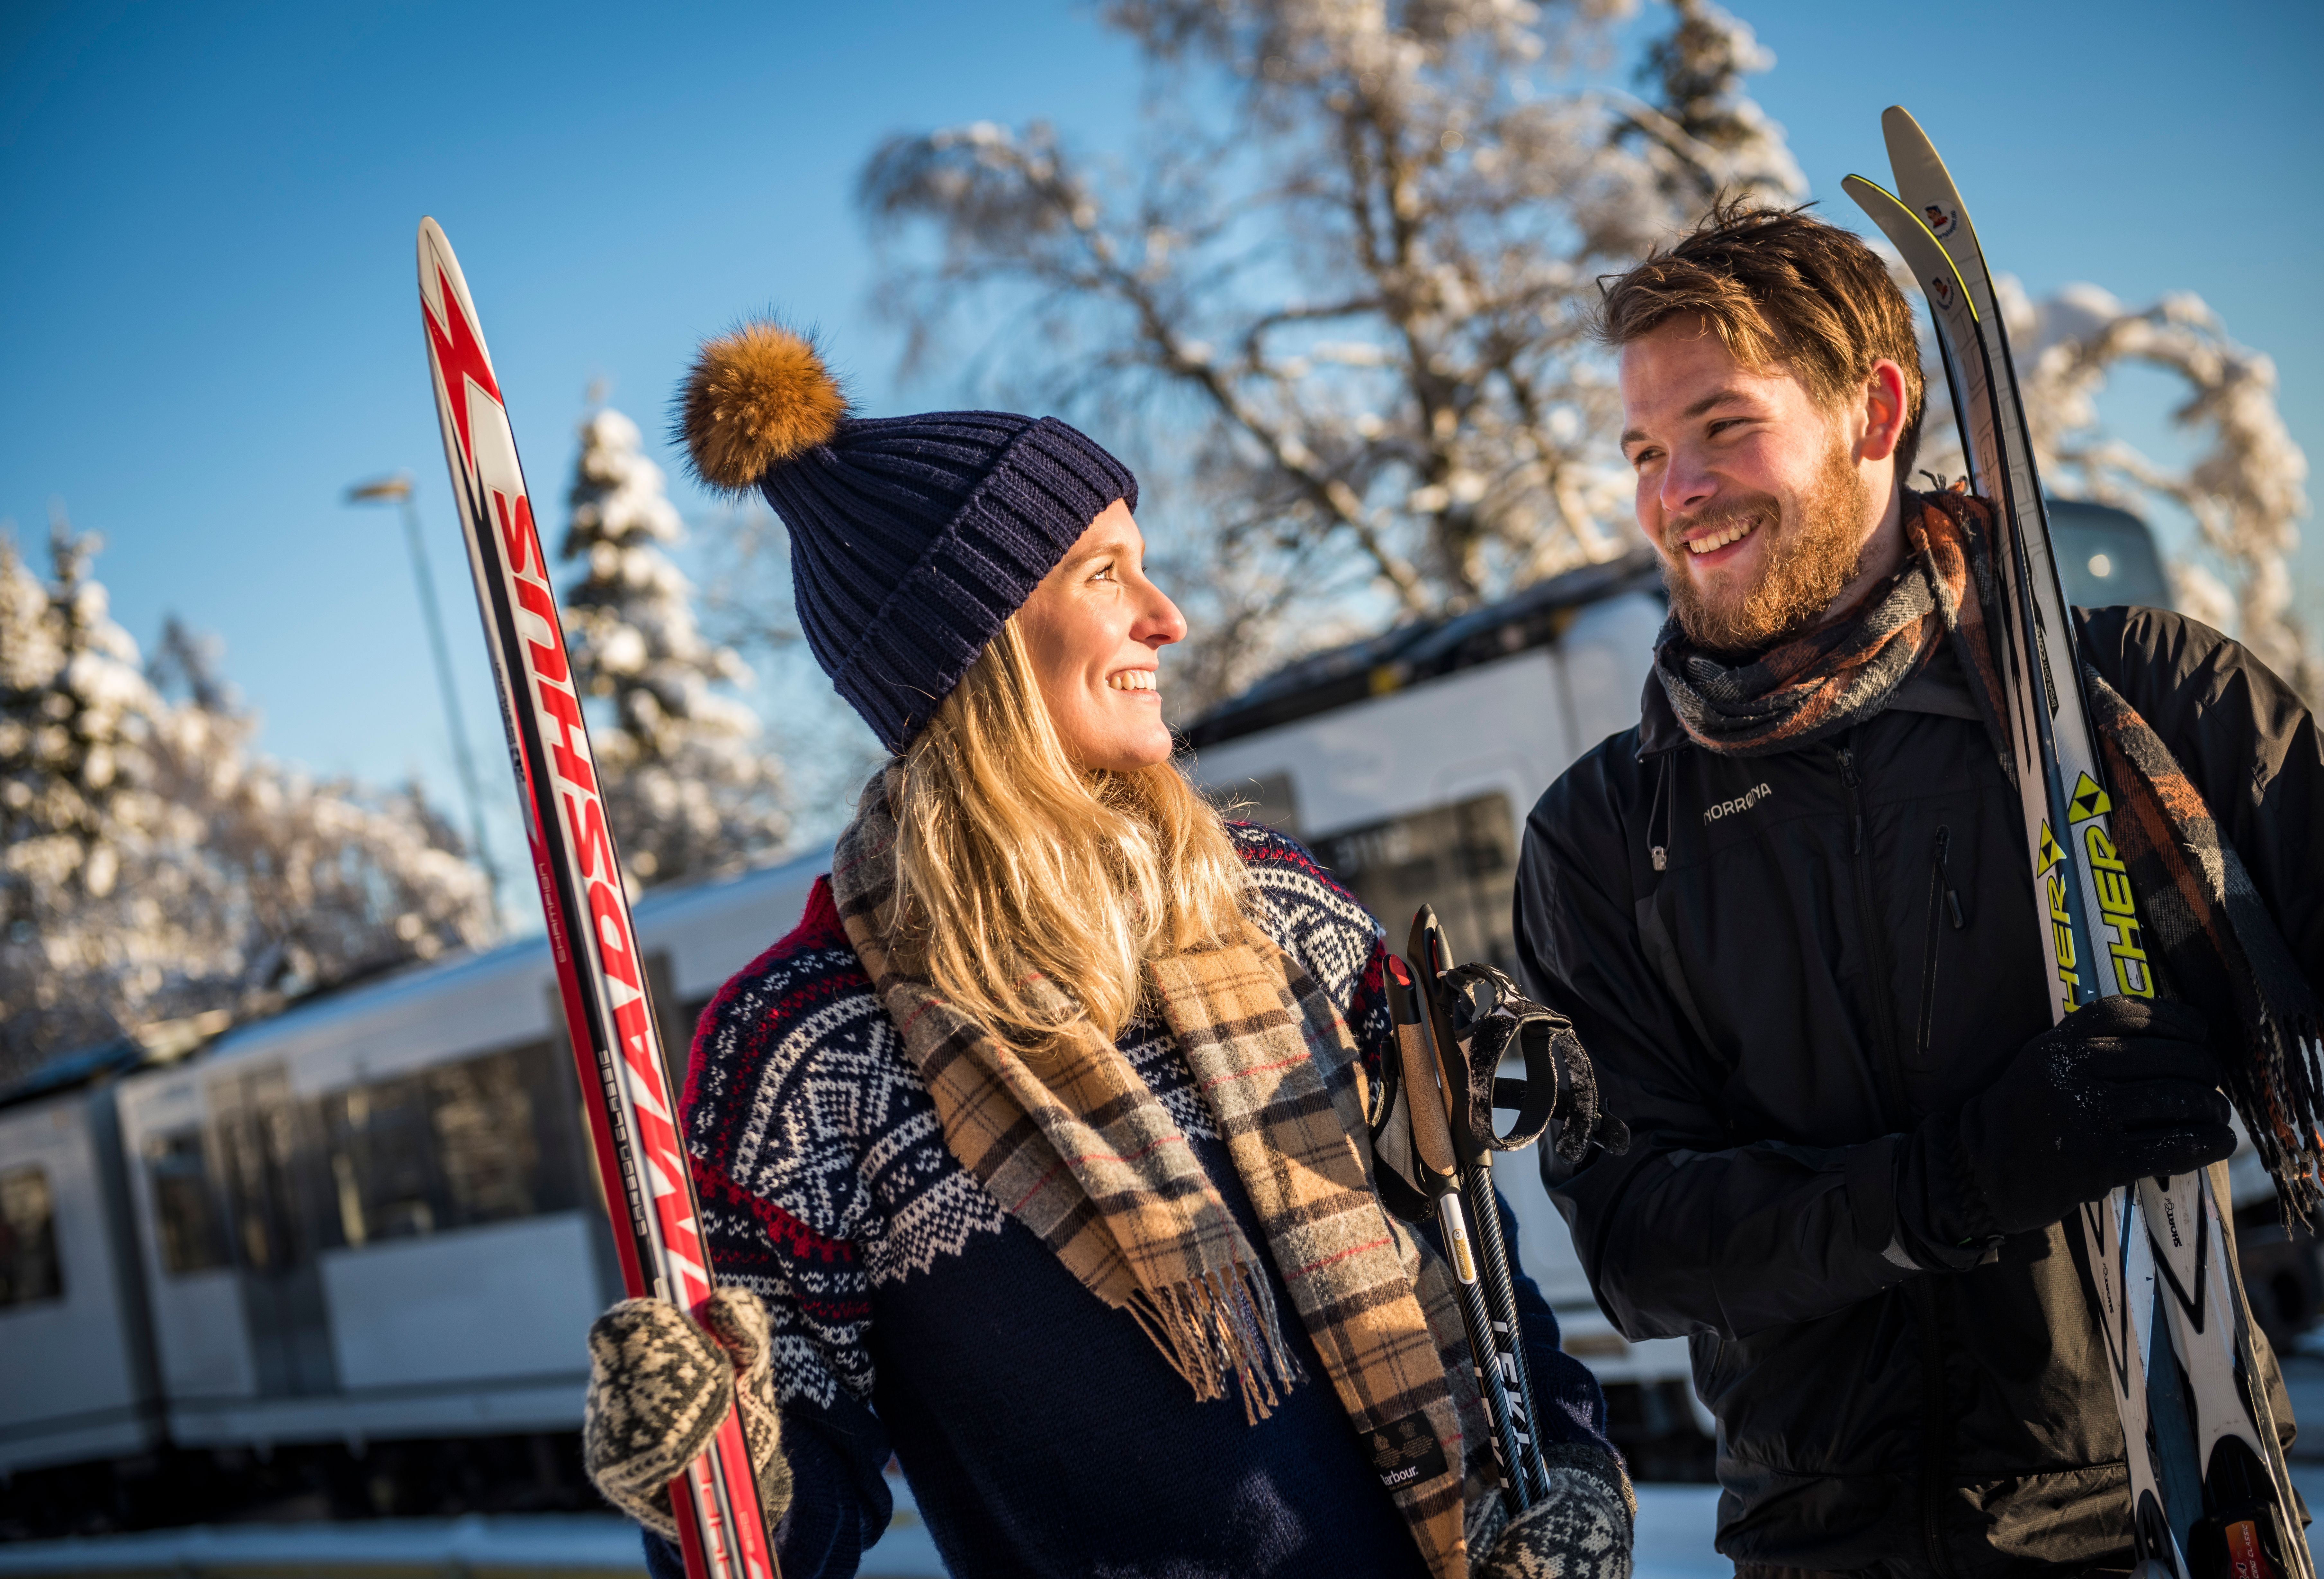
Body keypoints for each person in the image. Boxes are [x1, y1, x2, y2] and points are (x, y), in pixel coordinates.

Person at [579, 320, 1636, 1579]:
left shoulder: (1285, 910)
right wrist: (715, 1454)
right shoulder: (813, 1048)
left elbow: (1482, 1273)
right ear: (973, 652)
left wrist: (1571, 1475)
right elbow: (784, 1523)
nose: (1166, 617)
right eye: (1103, 575)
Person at [1514, 202, 2324, 1576]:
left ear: (1876, 412)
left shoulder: (2135, 697)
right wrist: (1961, 1177)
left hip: (2169, 1493)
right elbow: (1636, 1240)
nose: (1676, 490)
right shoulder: (1609, 832)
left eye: (1724, 426)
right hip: (1824, 1542)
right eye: (1646, 450)